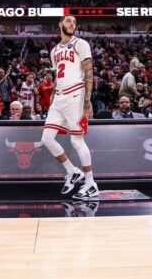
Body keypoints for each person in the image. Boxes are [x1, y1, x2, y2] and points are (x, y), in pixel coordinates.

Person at [41, 14, 99, 201]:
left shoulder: (80, 43)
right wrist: (52, 99)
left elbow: (89, 72)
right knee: (47, 139)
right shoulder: (54, 50)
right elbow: (58, 76)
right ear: (60, 24)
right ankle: (72, 171)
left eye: (74, 22)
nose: (72, 24)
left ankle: (91, 184)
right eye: (68, 21)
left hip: (76, 94)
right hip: (59, 97)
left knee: (77, 142)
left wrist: (87, 100)